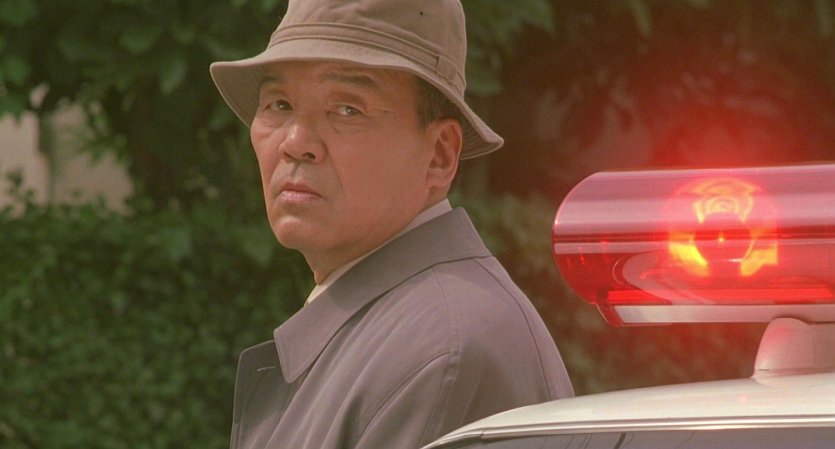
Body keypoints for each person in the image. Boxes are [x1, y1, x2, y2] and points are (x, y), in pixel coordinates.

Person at [209, 0, 574, 448]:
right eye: (278, 104)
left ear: (439, 154)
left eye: (347, 109)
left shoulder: (442, 353)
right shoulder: (401, 327)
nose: (296, 142)